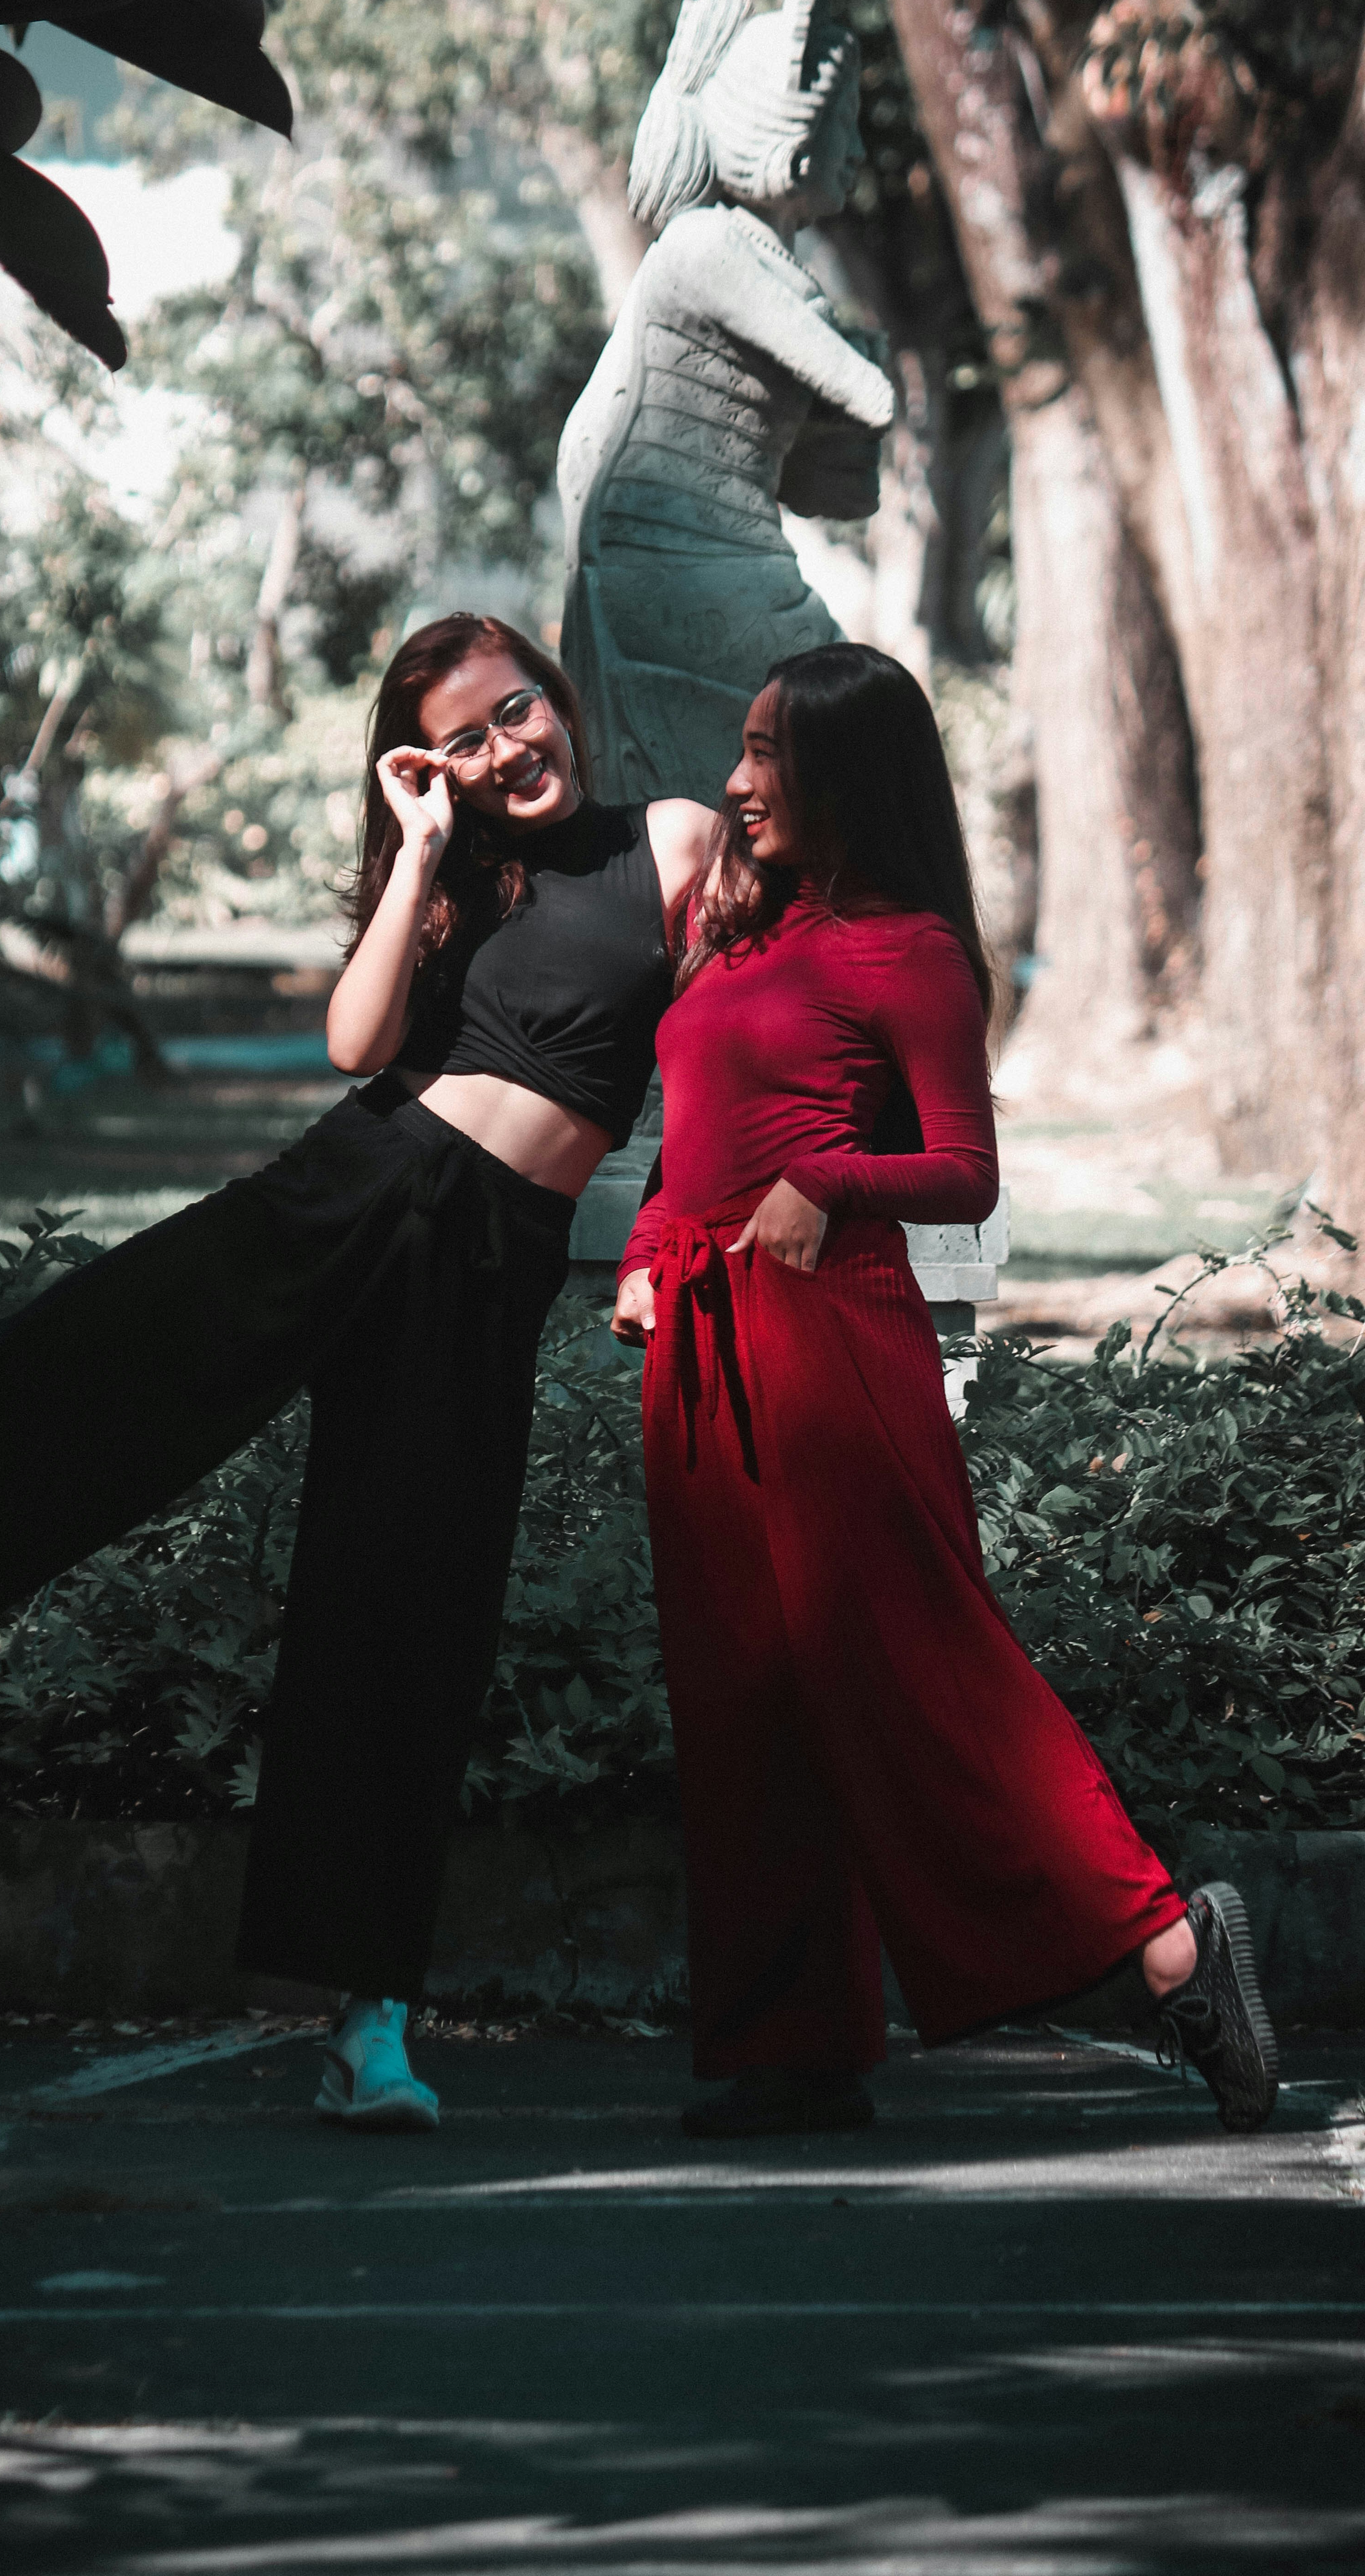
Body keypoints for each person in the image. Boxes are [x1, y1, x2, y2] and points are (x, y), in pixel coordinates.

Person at [0, 615, 713, 2135]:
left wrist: (672, 1239)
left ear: (556, 697)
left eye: (519, 712)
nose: (508, 750)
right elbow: (360, 1045)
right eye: (469, 739)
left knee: (408, 1604)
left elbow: (728, 1049)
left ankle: (369, 2024)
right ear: (435, 765)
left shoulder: (669, 844)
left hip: (492, 1263)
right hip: (362, 1186)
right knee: (69, 1380)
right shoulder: (458, 870)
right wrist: (419, 845)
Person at [611, 643, 1278, 2139]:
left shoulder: (906, 948)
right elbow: (688, 1137)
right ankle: (797, 2045)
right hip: (702, 1347)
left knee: (918, 1669)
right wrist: (653, 1248)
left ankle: (1178, 1951)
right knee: (744, 1696)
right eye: (745, 747)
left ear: (852, 774)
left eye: (772, 754)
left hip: (833, 1339)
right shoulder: (742, 935)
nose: (739, 781)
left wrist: (823, 1179)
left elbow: (964, 1170)